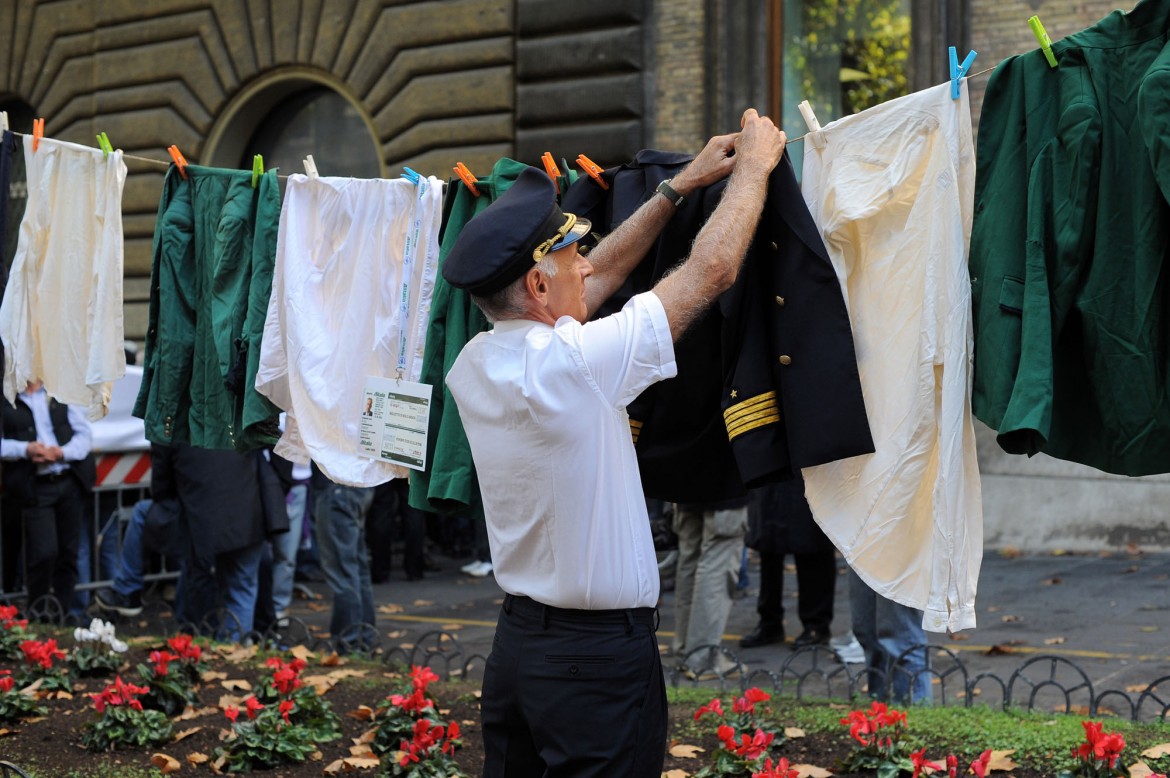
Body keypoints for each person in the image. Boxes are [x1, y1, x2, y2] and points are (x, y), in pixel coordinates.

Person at [442, 109, 786, 777]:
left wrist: (677, 188)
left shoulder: (480, 362)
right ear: (539, 286)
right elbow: (712, 271)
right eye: (570, 254)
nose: (586, 265)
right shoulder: (573, 366)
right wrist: (752, 171)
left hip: (520, 650)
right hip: (594, 663)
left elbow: (595, 279)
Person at [0, 380, 95, 610]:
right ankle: (38, 610)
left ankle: (61, 613)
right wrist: (25, 450)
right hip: (35, 485)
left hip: (67, 479)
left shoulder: (59, 388)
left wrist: (62, 452)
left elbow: (84, 435)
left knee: (68, 553)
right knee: (43, 552)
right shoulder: (6, 397)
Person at [159, 442, 265, 642]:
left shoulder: (175, 415)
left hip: (201, 514)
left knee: (207, 581)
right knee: (240, 586)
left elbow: (162, 480)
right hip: (244, 508)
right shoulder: (243, 412)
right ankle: (232, 650)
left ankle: (215, 644)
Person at [740, 476, 837, 650]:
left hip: (808, 469)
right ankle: (770, 621)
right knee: (768, 544)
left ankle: (816, 624)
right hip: (770, 471)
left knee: (812, 544)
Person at [671, 498, 748, 677]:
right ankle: (702, 658)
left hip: (685, 484)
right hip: (725, 488)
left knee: (690, 561)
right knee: (717, 566)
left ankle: (686, 651)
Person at [312, 464, 376, 644]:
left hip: (339, 485)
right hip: (358, 484)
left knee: (344, 571)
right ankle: (363, 638)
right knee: (356, 569)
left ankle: (349, 641)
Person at [849, 569, 932, 704]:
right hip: (860, 548)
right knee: (866, 630)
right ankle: (882, 711)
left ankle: (913, 716)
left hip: (895, 551)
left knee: (902, 637)